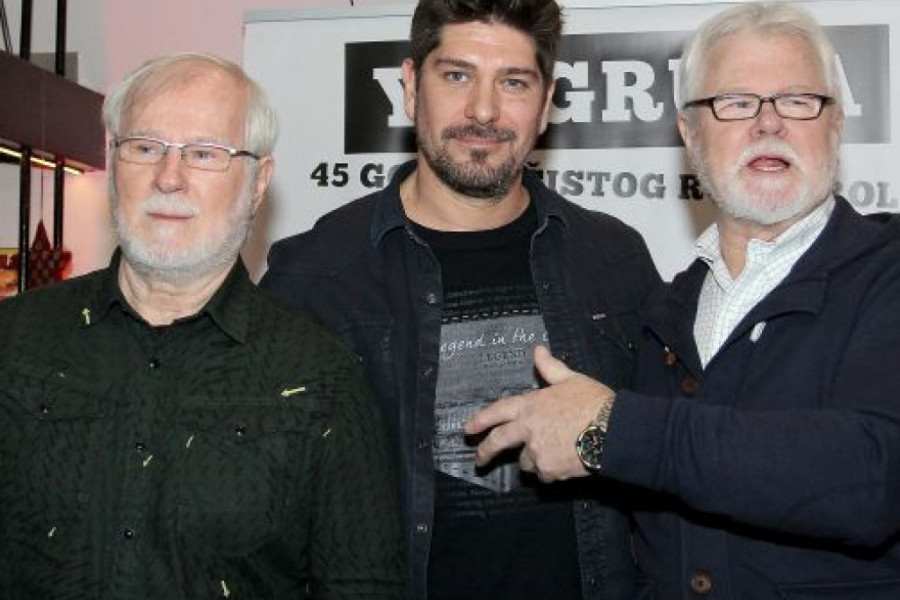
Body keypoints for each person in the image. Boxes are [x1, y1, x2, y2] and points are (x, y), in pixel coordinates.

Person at [467, 2, 900, 597]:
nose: (768, 123)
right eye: (735, 102)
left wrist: (612, 429)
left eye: (798, 100)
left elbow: (874, 482)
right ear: (690, 136)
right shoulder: (665, 312)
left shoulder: (886, 271)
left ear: (836, 124)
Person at [260, 0, 660, 598]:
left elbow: (663, 475)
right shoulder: (316, 276)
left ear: (547, 103)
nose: (483, 110)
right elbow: (269, 516)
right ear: (409, 86)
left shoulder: (614, 260)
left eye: (514, 82)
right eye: (456, 75)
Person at [0, 53, 402, 599]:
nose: (169, 178)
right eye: (145, 147)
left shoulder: (321, 380)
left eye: (205, 153)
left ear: (258, 182)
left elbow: (362, 585)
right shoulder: (14, 341)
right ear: (112, 160)